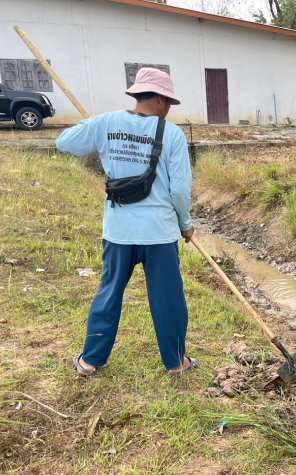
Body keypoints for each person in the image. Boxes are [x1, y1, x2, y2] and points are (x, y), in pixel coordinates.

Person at [56, 67, 196, 377]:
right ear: (159, 99)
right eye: (169, 102)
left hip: (118, 230)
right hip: (158, 233)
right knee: (168, 298)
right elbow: (179, 190)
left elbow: (64, 142)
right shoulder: (171, 134)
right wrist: (185, 224)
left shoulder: (106, 123)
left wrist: (90, 126)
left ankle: (90, 361)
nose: (169, 109)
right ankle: (177, 362)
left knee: (109, 292)